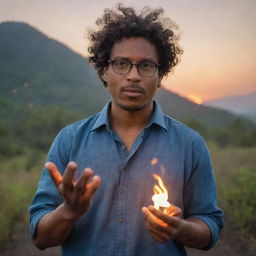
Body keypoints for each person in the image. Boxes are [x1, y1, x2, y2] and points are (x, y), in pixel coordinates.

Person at [29, 4, 224, 256]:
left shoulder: (190, 144)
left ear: (160, 74)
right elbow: (40, 238)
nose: (133, 76)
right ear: (105, 71)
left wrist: (180, 228)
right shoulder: (69, 140)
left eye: (146, 66)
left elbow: (210, 226)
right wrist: (68, 211)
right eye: (121, 64)